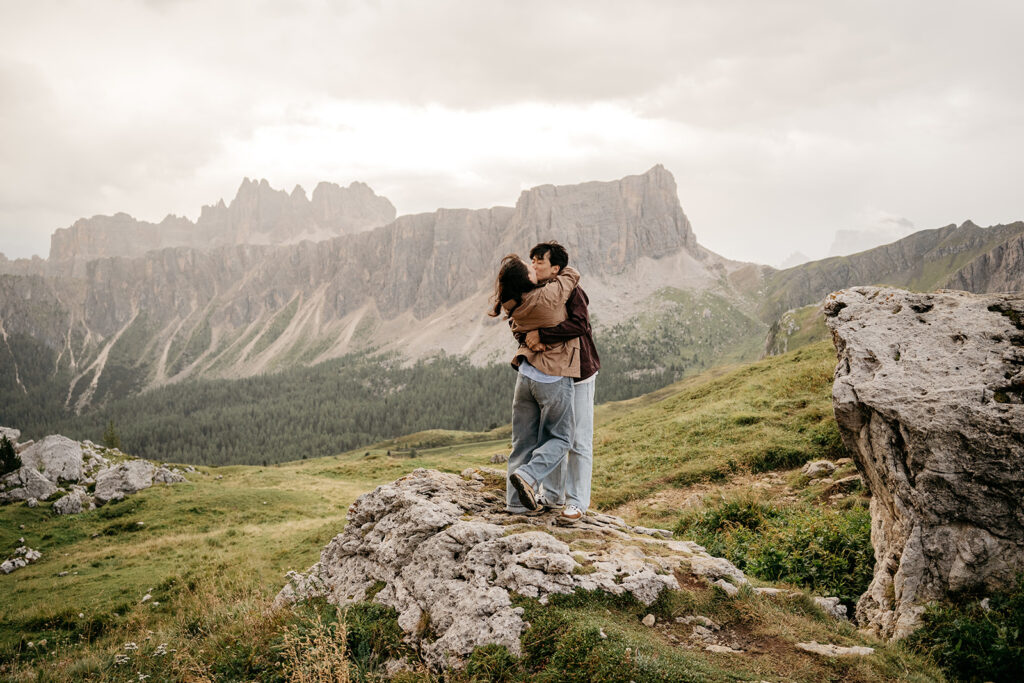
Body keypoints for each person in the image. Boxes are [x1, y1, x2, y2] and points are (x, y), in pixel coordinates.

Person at [488, 254, 581, 513]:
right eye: (531, 268)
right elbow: (572, 275)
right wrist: (553, 271)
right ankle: (529, 475)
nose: (535, 268)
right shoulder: (547, 296)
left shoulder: (512, 303)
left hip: (525, 376)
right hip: (552, 377)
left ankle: (515, 505)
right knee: (562, 438)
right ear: (528, 278)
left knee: (523, 442)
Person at [521, 242, 600, 522]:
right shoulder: (534, 290)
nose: (533, 264)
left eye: (539, 260)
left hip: (579, 374)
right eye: (531, 259)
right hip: (553, 375)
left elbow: (580, 324)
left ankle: (577, 501)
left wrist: (543, 335)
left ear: (556, 268)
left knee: (578, 439)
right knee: (553, 434)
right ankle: (552, 496)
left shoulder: (573, 290)